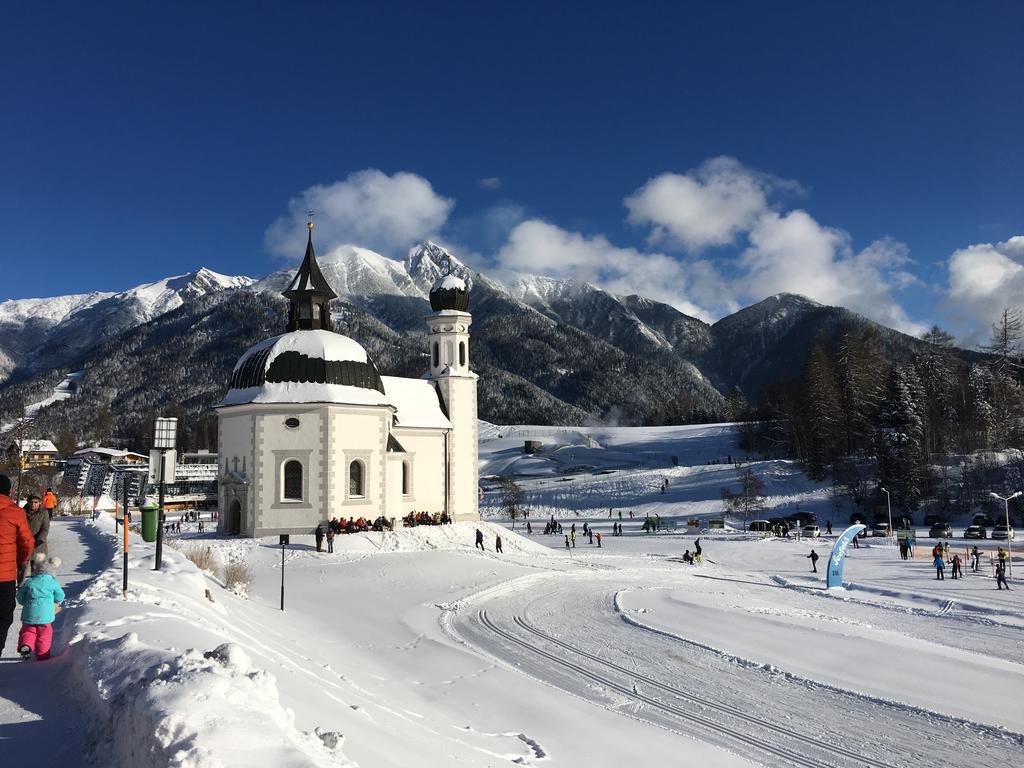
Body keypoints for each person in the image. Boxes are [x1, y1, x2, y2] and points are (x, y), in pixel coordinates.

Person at [1, 475, 34, 656]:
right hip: (4, 576)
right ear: (9, 491)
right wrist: (20, 562)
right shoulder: (15, 512)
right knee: (4, 615)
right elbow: (27, 544)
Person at [16, 553, 65, 660]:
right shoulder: (52, 582)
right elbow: (60, 596)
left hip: (29, 613)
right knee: (44, 635)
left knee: (28, 631)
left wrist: (25, 602)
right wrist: (55, 600)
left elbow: (19, 596)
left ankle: (26, 645)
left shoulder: (29, 582)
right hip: (45, 615)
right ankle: (43, 656)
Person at [23, 494, 49, 559]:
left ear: (39, 503)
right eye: (31, 502)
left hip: (39, 546)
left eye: (35, 502)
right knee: (23, 568)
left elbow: (45, 529)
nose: (33, 504)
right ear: (28, 502)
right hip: (25, 545)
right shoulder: (22, 512)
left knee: (37, 568)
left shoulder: (44, 513)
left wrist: (40, 540)